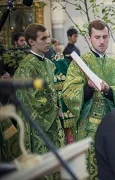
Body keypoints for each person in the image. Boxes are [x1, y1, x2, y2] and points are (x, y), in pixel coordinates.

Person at [62, 19, 115, 179]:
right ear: (89, 39)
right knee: (90, 170)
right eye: (97, 37)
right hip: (88, 128)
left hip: (114, 127)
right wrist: (87, 87)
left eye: (105, 37)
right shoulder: (79, 64)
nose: (102, 41)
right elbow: (68, 92)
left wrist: (109, 90)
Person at [13, 23, 65, 179]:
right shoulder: (26, 67)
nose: (48, 41)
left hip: (53, 122)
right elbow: (33, 99)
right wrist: (55, 108)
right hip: (36, 126)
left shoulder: (49, 64)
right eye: (43, 38)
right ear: (31, 42)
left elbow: (55, 90)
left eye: (48, 36)